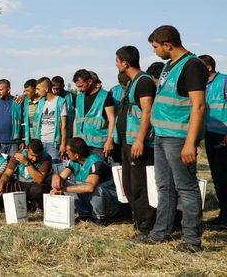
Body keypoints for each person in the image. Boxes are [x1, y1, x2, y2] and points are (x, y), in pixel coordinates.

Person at [140, 26, 208, 252]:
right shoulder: (170, 66)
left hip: (179, 138)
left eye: (156, 47)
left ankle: (191, 241)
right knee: (164, 187)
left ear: (168, 45)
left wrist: (190, 142)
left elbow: (198, 106)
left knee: (186, 188)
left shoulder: (192, 66)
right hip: (162, 136)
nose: (155, 51)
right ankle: (160, 233)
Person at [115, 45, 157, 238]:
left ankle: (146, 227)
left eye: (117, 61)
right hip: (126, 141)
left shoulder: (144, 81)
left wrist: (140, 140)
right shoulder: (132, 82)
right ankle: (139, 220)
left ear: (125, 63)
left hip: (137, 143)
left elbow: (147, 112)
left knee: (140, 185)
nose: (116, 65)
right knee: (129, 185)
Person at [51, 137, 120, 224]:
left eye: (68, 152)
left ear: (76, 155)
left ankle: (101, 218)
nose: (66, 154)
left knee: (95, 188)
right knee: (65, 183)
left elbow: (90, 187)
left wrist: (63, 189)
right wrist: (56, 177)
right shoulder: (73, 161)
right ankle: (85, 214)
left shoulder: (96, 162)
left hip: (109, 199)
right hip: (92, 198)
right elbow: (61, 177)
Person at [198, 54, 227, 228]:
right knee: (217, 175)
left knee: (224, 174)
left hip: (223, 135)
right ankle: (224, 214)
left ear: (208, 68)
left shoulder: (223, 81)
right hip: (209, 134)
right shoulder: (201, 86)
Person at [0, 139, 53, 211]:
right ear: (27, 150)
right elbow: (7, 174)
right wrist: (1, 185)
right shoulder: (19, 154)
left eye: (38, 156)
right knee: (3, 185)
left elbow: (39, 180)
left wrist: (27, 163)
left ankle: (40, 206)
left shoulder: (46, 158)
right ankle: (27, 206)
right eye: (32, 155)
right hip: (20, 184)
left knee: (37, 190)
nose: (35, 159)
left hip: (36, 185)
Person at [72, 69, 116, 159]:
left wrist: (109, 141)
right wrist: (74, 140)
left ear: (90, 81)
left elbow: (112, 120)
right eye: (77, 87)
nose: (79, 89)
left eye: (81, 86)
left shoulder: (105, 96)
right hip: (81, 145)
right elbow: (76, 119)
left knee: (97, 171)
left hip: (99, 146)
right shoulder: (79, 97)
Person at [28, 77, 67, 161]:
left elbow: (64, 125)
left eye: (38, 89)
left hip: (53, 143)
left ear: (46, 89)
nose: (36, 91)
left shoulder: (61, 101)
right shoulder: (41, 102)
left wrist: (63, 144)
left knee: (54, 166)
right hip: (40, 143)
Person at [0, 79, 22, 157]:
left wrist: (23, 96)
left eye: (1, 90)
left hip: (14, 142)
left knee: (12, 166)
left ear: (8, 89)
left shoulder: (17, 101)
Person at [22, 79, 40, 147]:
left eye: (28, 91)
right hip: (28, 138)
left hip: (40, 137)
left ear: (35, 90)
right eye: (25, 91)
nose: (25, 93)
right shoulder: (25, 102)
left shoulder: (43, 101)